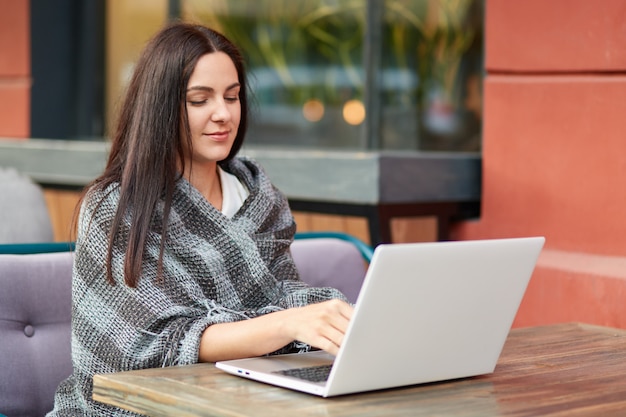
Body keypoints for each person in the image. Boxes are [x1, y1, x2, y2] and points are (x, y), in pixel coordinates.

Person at [47, 22, 353, 416]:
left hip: (240, 399)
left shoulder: (260, 197)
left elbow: (282, 297)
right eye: (199, 100)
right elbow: (143, 347)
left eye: (233, 96)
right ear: (160, 107)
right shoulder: (116, 207)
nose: (223, 114)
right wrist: (287, 324)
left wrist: (314, 317)